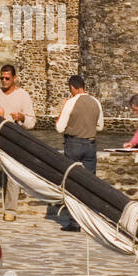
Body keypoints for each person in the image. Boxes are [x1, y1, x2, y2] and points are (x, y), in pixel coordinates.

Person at [48, 74, 104, 230]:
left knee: (72, 183)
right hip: (90, 144)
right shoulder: (96, 103)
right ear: (84, 86)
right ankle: (89, 221)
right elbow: (100, 127)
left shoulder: (71, 102)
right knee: (90, 184)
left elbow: (59, 127)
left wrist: (62, 113)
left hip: (73, 144)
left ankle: (75, 222)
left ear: (72, 87)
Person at [0, 64, 36, 220]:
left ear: (14, 78)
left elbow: (32, 122)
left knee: (12, 175)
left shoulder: (23, 95)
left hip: (15, 139)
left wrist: (22, 117)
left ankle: (10, 211)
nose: (4, 81)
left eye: (7, 78)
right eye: (2, 78)